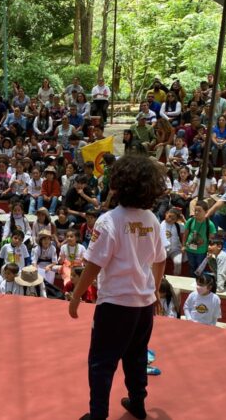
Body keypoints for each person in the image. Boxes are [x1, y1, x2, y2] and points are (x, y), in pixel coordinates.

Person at [69, 153, 166, 420]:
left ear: (118, 184)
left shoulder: (109, 220)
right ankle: (138, 403)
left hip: (115, 305)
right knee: (136, 358)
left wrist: (76, 297)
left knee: (102, 362)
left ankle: (98, 415)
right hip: (143, 305)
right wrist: (155, 291)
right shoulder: (151, 219)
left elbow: (93, 264)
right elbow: (161, 259)